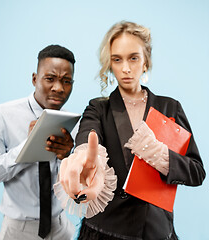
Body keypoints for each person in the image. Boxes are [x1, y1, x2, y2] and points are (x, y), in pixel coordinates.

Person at [58, 21, 206, 240]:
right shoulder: (98, 108)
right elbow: (88, 139)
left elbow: (196, 172)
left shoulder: (170, 107)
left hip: (156, 231)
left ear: (145, 61)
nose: (125, 68)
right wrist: (84, 162)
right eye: (117, 59)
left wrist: (158, 153)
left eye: (133, 58)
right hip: (105, 231)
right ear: (110, 64)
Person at [0, 44, 76, 240]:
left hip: (61, 228)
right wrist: (28, 147)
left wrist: (68, 158)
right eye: (50, 79)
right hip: (18, 231)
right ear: (34, 79)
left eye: (66, 81)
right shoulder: (1, 115)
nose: (58, 88)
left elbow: (77, 188)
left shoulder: (70, 122)